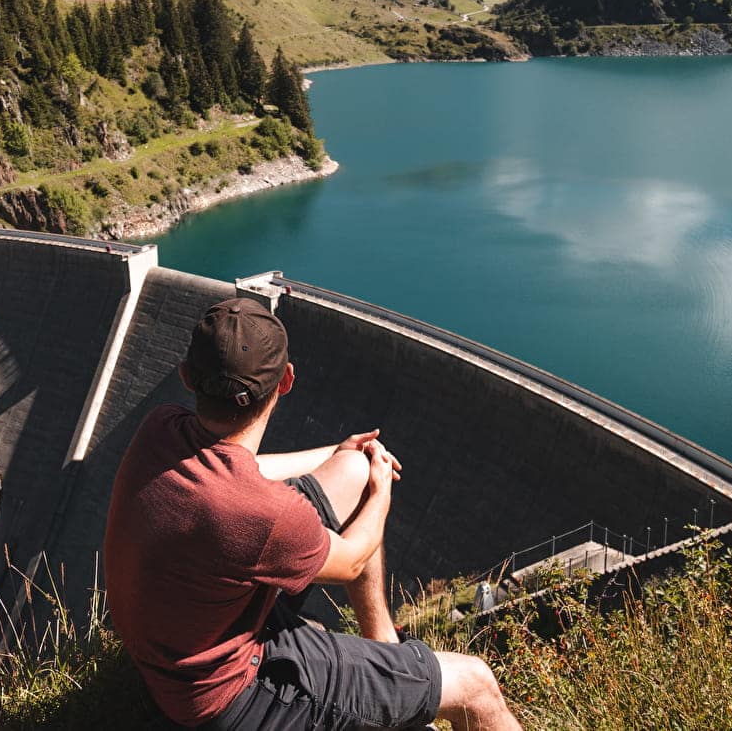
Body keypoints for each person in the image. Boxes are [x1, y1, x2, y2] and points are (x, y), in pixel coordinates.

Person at [104, 297, 521, 731]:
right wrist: (380, 490)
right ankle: (400, 684)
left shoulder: (160, 428)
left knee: (354, 470)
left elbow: (243, 468)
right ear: (286, 381)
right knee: (476, 685)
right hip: (233, 698)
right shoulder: (265, 516)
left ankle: (384, 645)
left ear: (187, 375)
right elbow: (353, 558)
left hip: (181, 654)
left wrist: (339, 455)